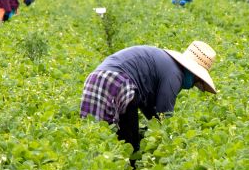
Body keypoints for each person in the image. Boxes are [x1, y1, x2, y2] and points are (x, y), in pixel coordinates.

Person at [80, 41, 217, 161]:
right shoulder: (175, 74)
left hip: (97, 77)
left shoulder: (166, 63)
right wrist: (170, 139)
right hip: (117, 81)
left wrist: (154, 126)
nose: (195, 85)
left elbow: (148, 106)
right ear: (194, 74)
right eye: (197, 81)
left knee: (99, 136)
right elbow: (164, 112)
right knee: (130, 142)